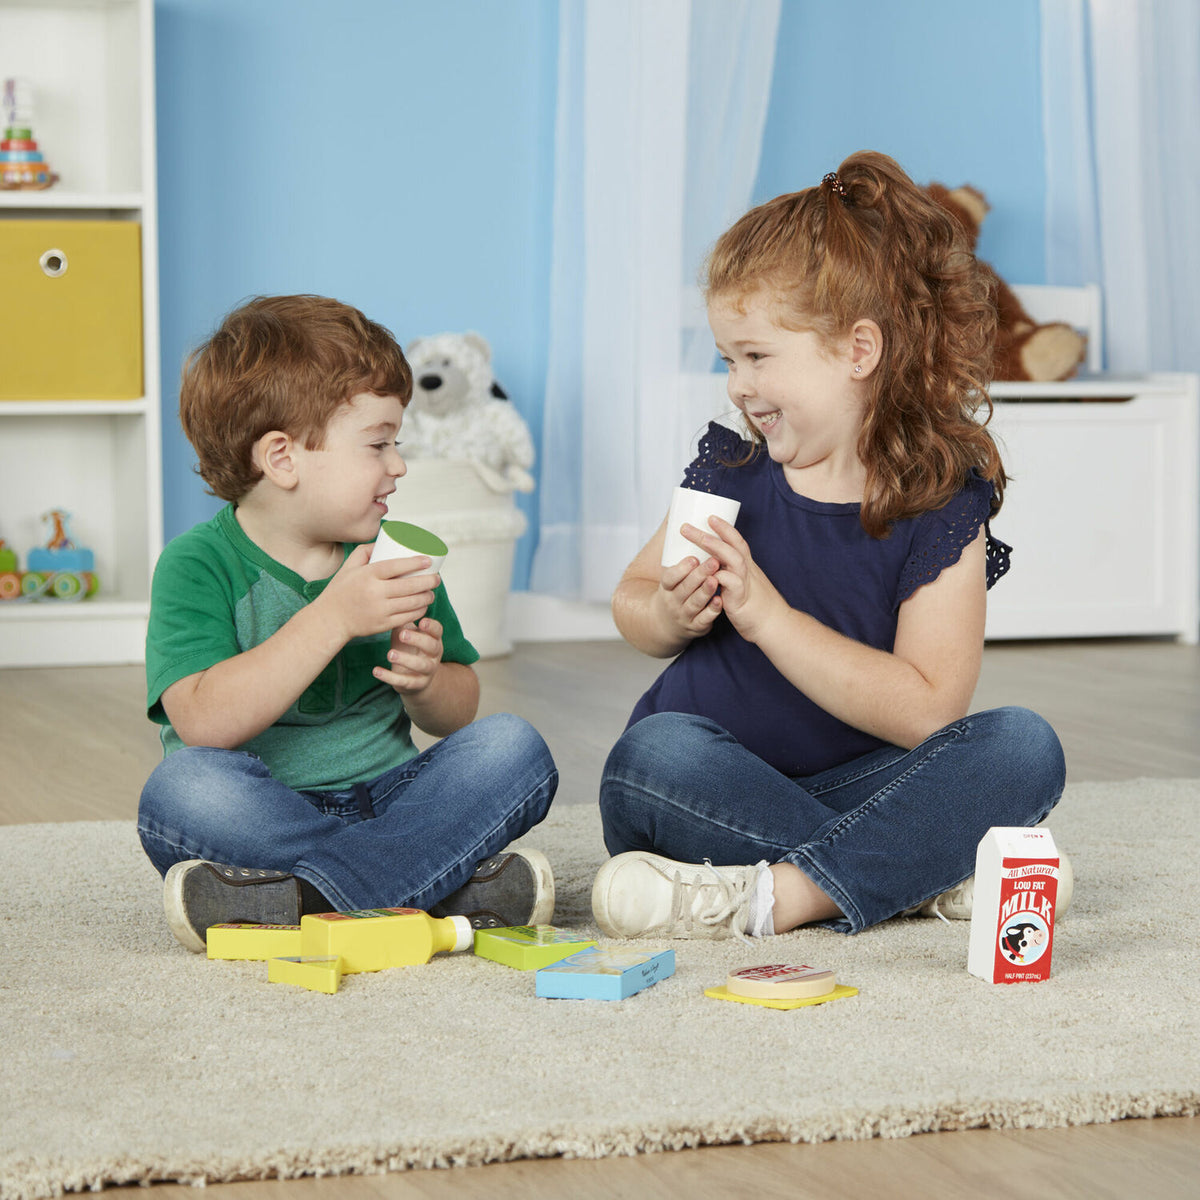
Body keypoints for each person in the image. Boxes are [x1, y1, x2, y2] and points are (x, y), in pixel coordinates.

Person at [592, 152, 1067, 941]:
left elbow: (928, 712)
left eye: (757, 355)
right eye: (727, 360)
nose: (738, 385)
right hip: (706, 786)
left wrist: (768, 617)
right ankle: (910, 874)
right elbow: (632, 603)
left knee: (1023, 745)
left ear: (858, 351)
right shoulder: (732, 472)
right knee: (653, 754)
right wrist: (668, 615)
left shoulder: (940, 504)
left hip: (863, 785)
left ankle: (786, 893)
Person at [138, 295, 558, 952]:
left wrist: (426, 683)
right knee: (181, 790)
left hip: (393, 796)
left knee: (513, 748)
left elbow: (458, 714)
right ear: (282, 459)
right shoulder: (197, 564)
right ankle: (440, 888)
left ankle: (300, 899)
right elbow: (204, 723)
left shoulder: (396, 555)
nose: (398, 465)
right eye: (379, 444)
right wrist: (333, 616)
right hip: (268, 811)